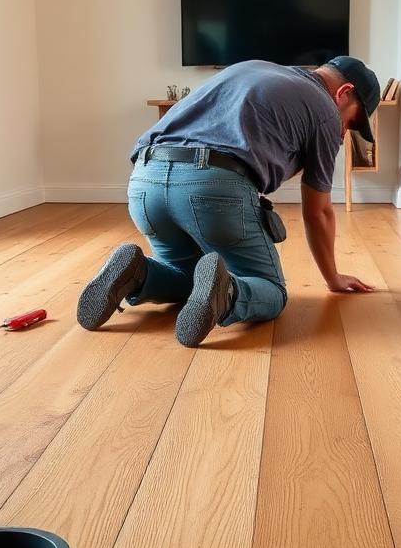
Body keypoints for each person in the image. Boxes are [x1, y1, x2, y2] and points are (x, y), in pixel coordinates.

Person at [77, 56, 379, 347]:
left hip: (145, 181)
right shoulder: (325, 110)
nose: (344, 131)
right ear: (344, 92)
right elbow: (319, 211)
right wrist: (333, 278)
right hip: (212, 187)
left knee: (190, 277)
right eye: (351, 122)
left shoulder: (251, 69)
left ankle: (138, 273)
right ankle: (229, 292)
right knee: (272, 292)